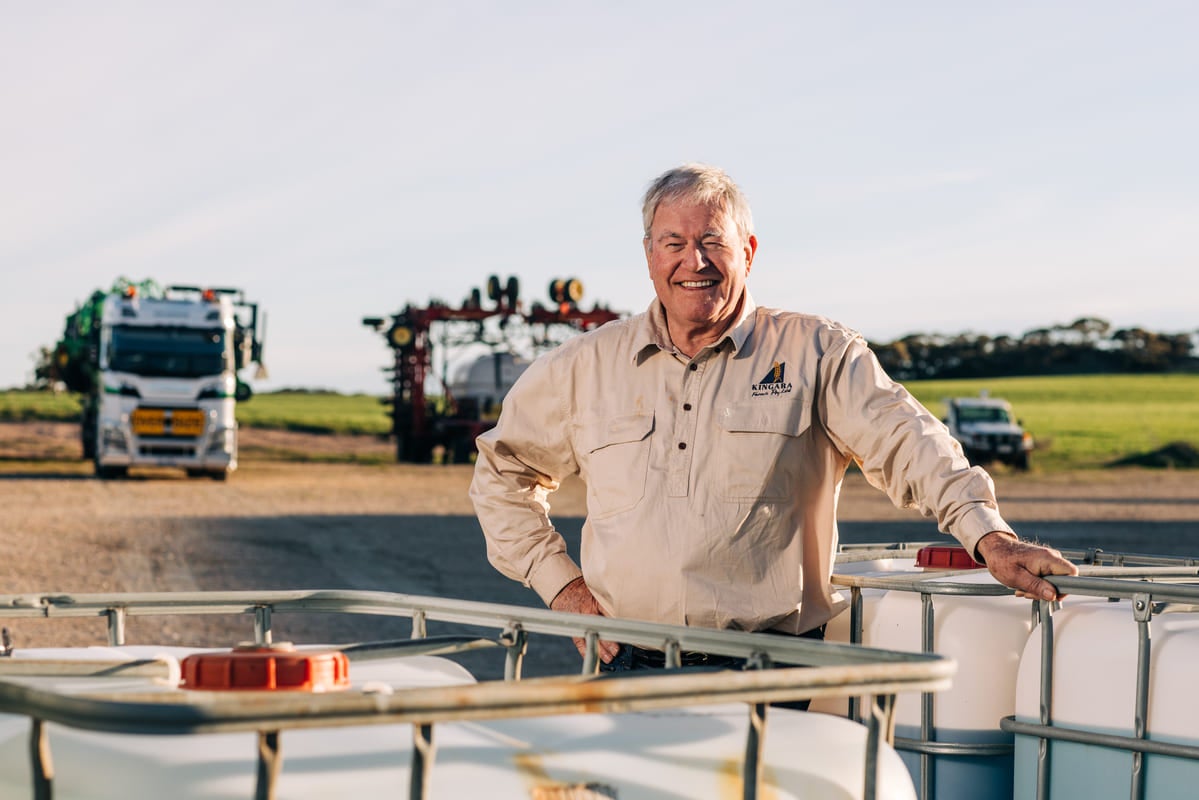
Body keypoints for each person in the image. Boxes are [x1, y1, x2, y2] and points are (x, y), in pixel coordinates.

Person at [469, 162, 1077, 670]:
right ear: (649, 254)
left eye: (713, 241)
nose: (694, 261)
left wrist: (987, 534)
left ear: (748, 252)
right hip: (626, 662)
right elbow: (502, 472)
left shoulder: (817, 353)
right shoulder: (586, 364)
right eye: (674, 243)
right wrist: (563, 587)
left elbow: (907, 442)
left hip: (771, 669)